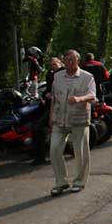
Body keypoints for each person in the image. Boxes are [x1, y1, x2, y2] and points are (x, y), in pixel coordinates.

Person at [48, 50, 96, 196]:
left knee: (80, 152)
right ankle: (60, 182)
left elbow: (93, 95)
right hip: (59, 119)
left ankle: (79, 182)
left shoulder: (87, 77)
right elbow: (54, 98)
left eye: (72, 60)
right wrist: (51, 116)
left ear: (78, 61)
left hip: (78, 119)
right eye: (66, 60)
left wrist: (79, 99)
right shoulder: (57, 76)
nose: (69, 63)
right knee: (54, 149)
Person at [30, 56, 64, 166]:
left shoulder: (65, 73)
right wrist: (45, 95)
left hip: (60, 107)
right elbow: (48, 89)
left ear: (60, 63)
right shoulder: (50, 74)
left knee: (38, 128)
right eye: (51, 65)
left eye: (54, 64)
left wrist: (53, 95)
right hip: (50, 105)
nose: (52, 66)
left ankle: (40, 157)